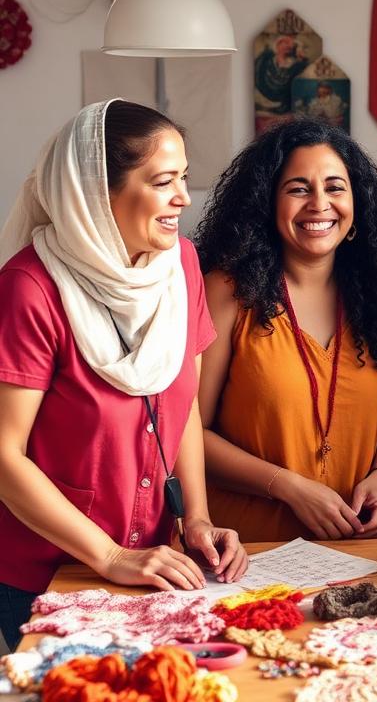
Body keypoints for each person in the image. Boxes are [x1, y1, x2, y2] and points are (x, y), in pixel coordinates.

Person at [0, 100, 247, 650]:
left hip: (153, 564)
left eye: (183, 177)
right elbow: (4, 456)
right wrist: (110, 556)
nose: (184, 197)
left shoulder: (180, 263)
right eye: (164, 182)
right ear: (95, 193)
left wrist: (198, 521)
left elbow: (181, 407)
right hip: (50, 573)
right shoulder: (30, 289)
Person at [194, 118, 377, 543]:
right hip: (247, 552)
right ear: (267, 202)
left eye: (335, 187)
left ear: (357, 202)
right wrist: (287, 486)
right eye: (298, 188)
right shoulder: (226, 291)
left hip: (363, 551)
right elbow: (188, 435)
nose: (319, 203)